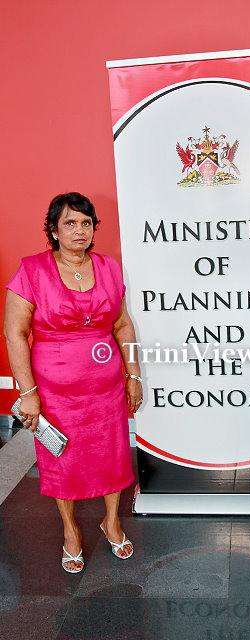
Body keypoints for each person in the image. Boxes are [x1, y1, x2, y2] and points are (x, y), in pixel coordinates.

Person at [4, 192, 142, 573]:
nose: (79, 230)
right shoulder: (31, 271)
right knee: (62, 461)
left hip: (107, 389)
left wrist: (133, 374)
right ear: (53, 229)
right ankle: (70, 530)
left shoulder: (109, 268)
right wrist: (28, 394)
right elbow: (15, 334)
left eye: (85, 223)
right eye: (69, 223)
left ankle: (111, 522)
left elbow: (122, 324)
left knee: (113, 456)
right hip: (54, 394)